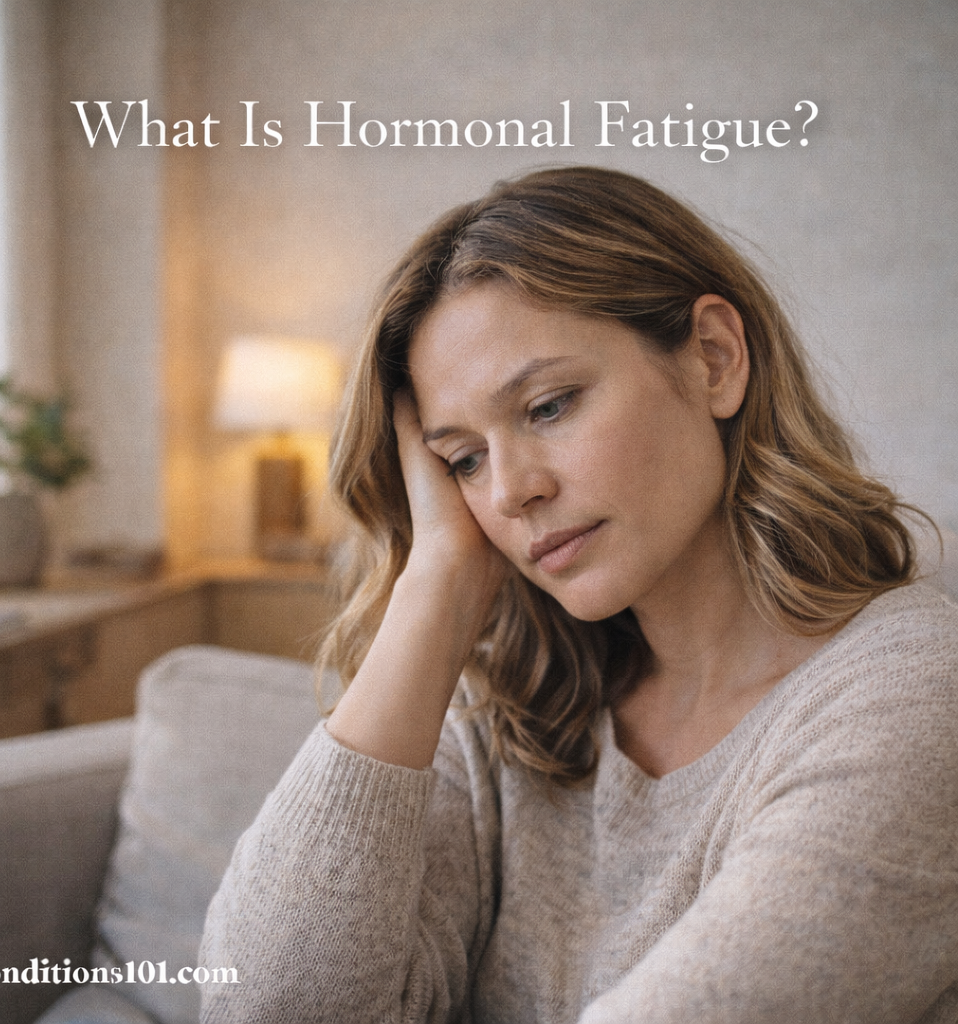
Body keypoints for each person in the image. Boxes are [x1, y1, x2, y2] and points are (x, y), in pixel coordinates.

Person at [199, 167, 958, 1023]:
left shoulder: (918, 696)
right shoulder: (515, 715)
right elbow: (265, 1009)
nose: (510, 490)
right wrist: (436, 586)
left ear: (714, 359)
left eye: (550, 405)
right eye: (463, 460)